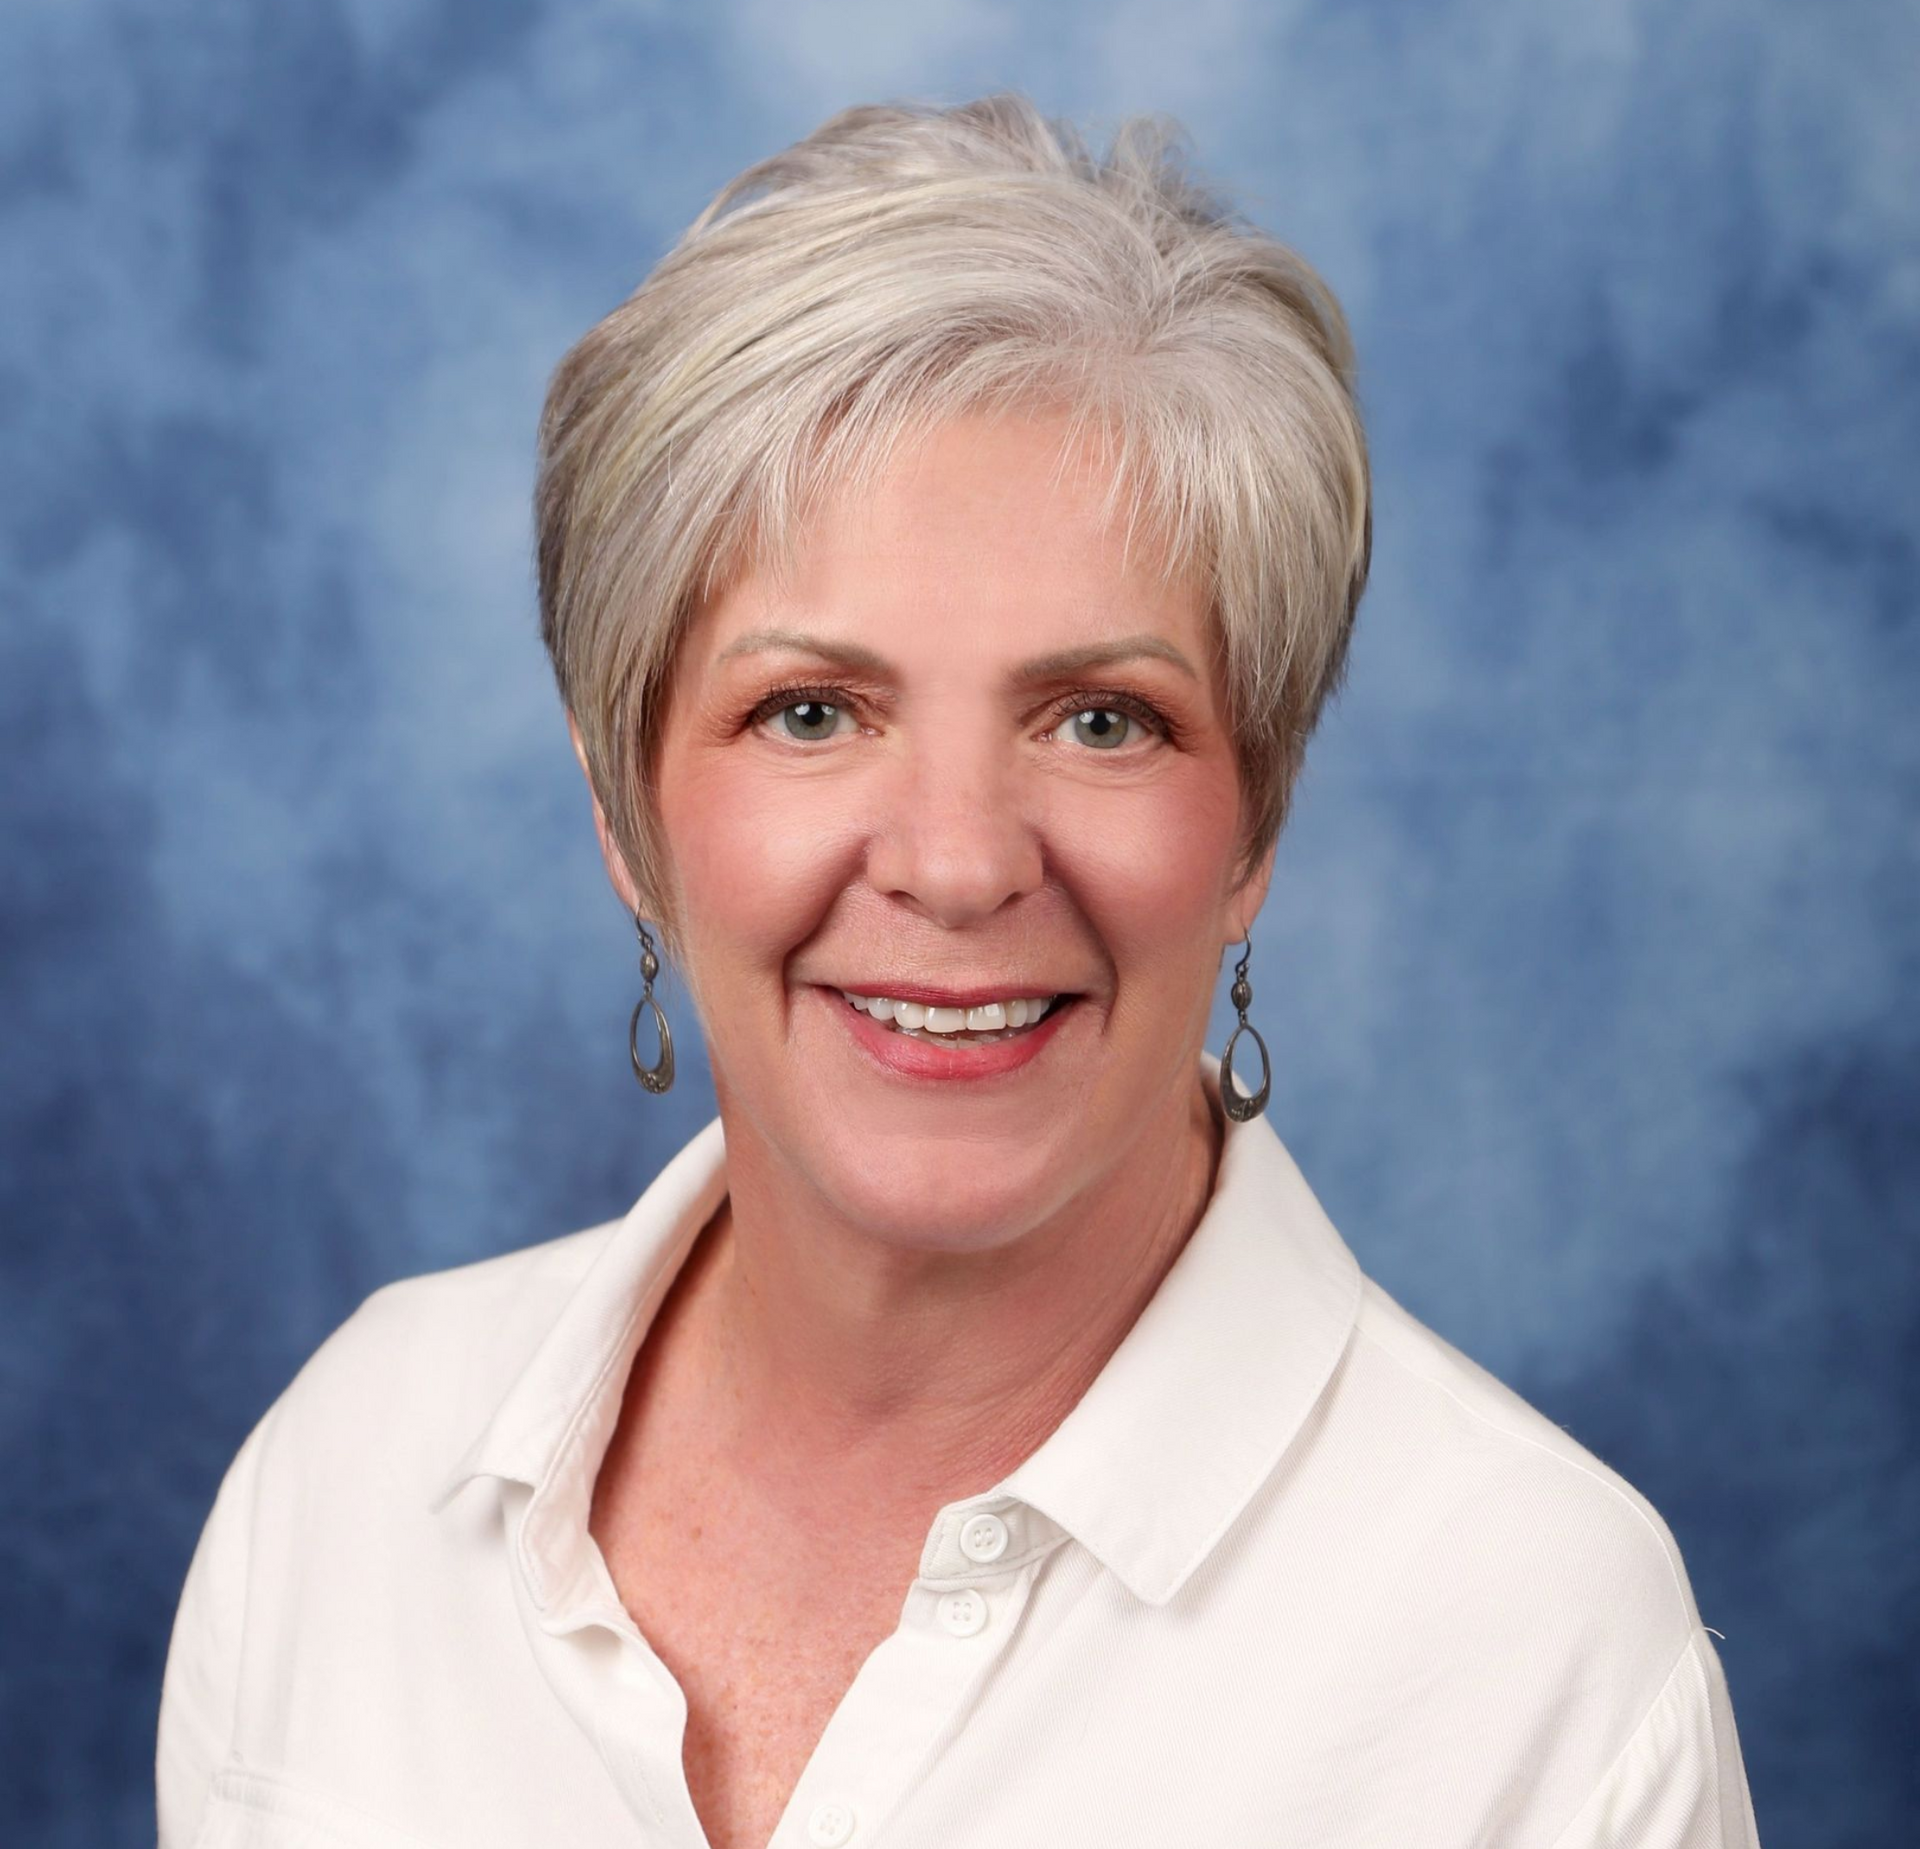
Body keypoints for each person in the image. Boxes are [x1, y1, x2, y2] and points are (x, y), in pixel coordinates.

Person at [156, 94, 1760, 1849]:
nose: (958, 860)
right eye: (812, 711)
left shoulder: (1540, 1654)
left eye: (1101, 719)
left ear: (1254, 828)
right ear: (626, 808)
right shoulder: (353, 1473)